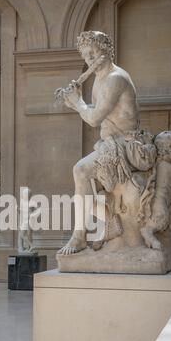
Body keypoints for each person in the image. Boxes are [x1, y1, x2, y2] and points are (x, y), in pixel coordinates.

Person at [57, 30, 139, 255]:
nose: (90, 59)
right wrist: (75, 103)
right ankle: (107, 222)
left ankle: (79, 236)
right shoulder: (99, 79)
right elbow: (96, 111)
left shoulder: (115, 79)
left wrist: (78, 103)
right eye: (86, 56)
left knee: (80, 170)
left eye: (93, 53)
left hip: (125, 144)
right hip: (109, 143)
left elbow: (93, 119)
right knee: (83, 174)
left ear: (106, 51)